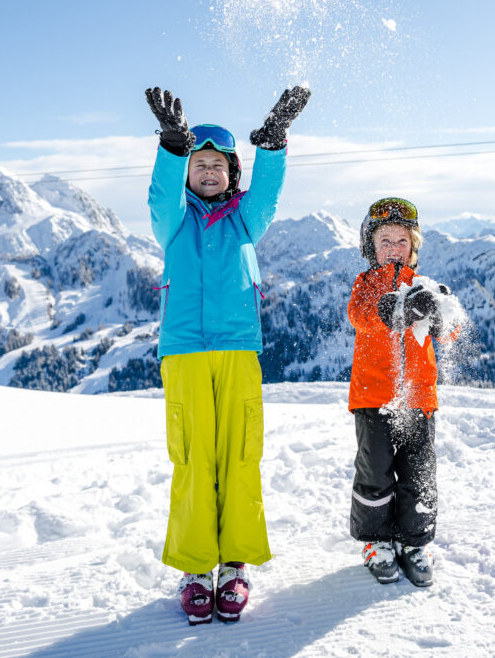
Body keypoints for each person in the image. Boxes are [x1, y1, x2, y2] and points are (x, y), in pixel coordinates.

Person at [144, 84, 311, 626]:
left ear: (232, 174)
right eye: (200, 164)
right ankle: (195, 568)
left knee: (240, 455)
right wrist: (171, 147)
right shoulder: (173, 223)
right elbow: (160, 198)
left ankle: (234, 564)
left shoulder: (245, 221)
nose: (210, 172)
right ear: (188, 172)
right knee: (193, 458)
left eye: (219, 164)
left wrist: (274, 145)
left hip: (239, 349)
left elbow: (267, 196)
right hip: (186, 352)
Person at [346, 197, 463, 587]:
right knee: (374, 471)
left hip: (419, 399)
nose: (393, 248)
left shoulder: (425, 286)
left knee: (419, 474)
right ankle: (376, 541)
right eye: (384, 240)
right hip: (373, 397)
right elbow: (361, 318)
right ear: (371, 246)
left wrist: (438, 313)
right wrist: (392, 311)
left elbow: (451, 330)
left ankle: (414, 543)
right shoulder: (365, 285)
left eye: (401, 240)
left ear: (413, 247)